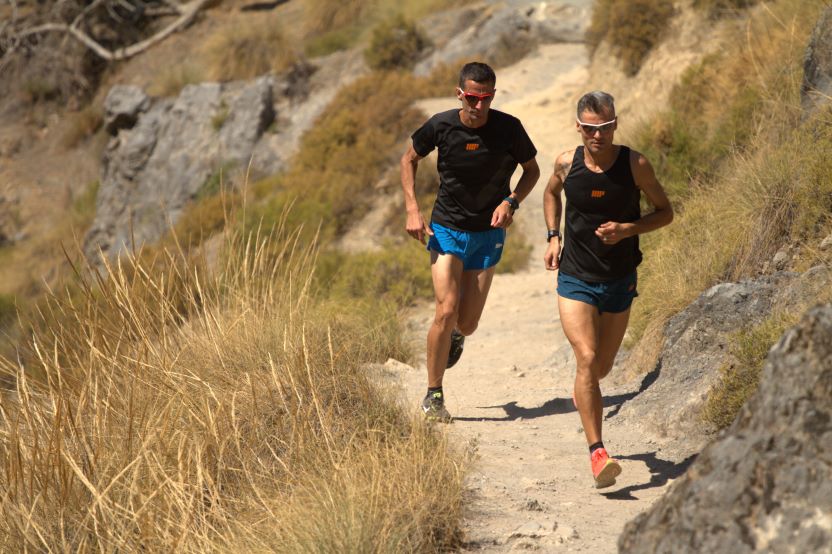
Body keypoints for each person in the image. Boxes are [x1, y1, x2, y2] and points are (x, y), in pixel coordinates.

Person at [542, 91, 673, 488]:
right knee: (586, 355)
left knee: (601, 368)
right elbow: (550, 193)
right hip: (575, 277)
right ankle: (598, 453)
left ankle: (586, 391)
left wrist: (628, 230)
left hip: (618, 279)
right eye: (590, 128)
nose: (597, 135)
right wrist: (552, 236)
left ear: (615, 124)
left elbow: (665, 212)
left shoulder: (635, 165)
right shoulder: (566, 163)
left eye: (604, 127)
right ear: (578, 127)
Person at [400, 62, 540, 422]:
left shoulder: (509, 128)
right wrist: (413, 209)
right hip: (447, 227)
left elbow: (532, 170)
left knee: (469, 322)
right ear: (460, 94)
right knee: (445, 311)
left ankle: (458, 336)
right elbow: (409, 158)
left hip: (488, 233)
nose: (479, 106)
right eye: (473, 98)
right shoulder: (441, 125)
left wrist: (512, 202)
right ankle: (434, 395)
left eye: (486, 98)